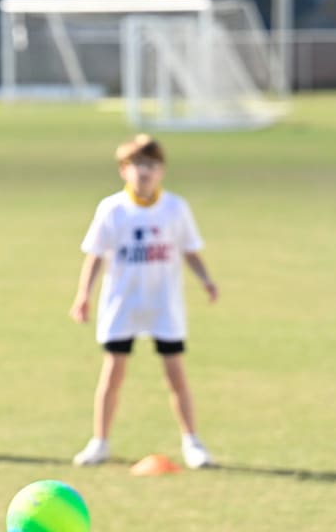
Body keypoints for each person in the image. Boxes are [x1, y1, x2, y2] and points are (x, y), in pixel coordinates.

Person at [69, 134, 218, 469]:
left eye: (150, 165)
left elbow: (190, 250)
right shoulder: (112, 209)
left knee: (175, 373)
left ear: (161, 170)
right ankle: (100, 442)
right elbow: (94, 256)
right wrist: (83, 296)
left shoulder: (175, 208)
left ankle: (192, 442)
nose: (144, 172)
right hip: (122, 304)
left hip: (164, 306)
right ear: (124, 170)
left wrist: (206, 280)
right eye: (136, 165)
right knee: (113, 372)